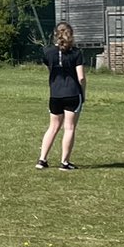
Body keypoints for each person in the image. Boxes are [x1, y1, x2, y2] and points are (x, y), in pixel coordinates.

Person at [37, 23, 83, 170]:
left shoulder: (48, 51)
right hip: (72, 93)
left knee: (53, 127)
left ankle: (42, 160)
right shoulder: (76, 53)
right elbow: (81, 77)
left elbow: (50, 68)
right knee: (69, 128)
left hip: (55, 94)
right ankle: (65, 162)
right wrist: (84, 92)